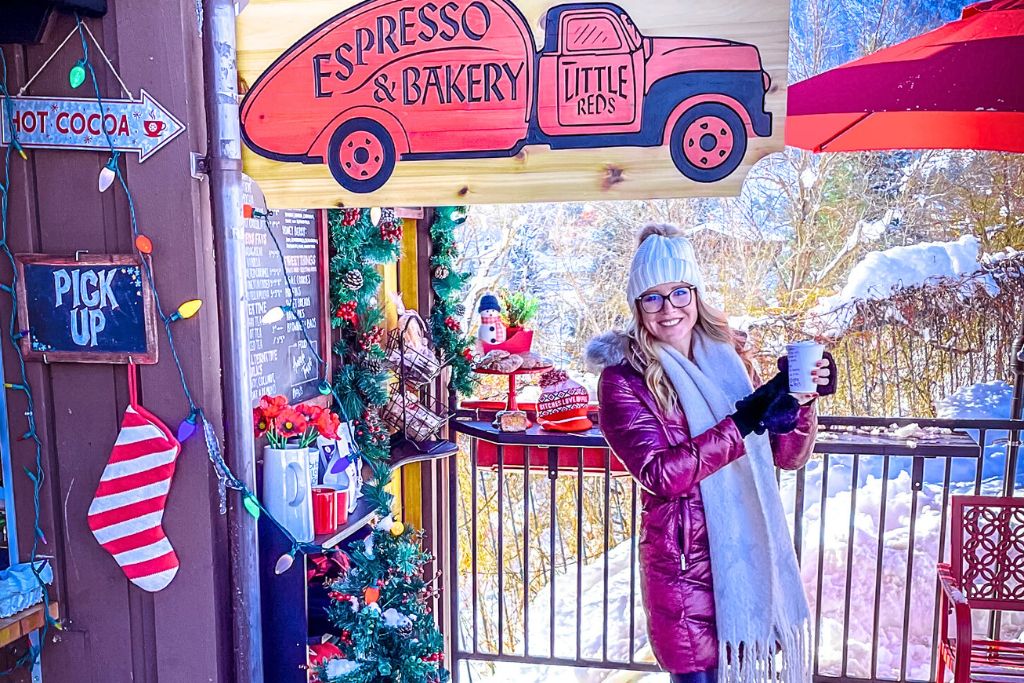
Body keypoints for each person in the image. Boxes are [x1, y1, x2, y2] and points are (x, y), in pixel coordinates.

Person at [585, 224, 835, 683]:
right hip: (684, 571)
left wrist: (799, 400)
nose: (669, 309)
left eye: (679, 292)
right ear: (637, 306)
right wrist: (743, 421)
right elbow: (660, 475)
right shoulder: (623, 380)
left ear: (696, 294)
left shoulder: (728, 357)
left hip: (745, 553)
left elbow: (785, 455)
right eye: (653, 297)